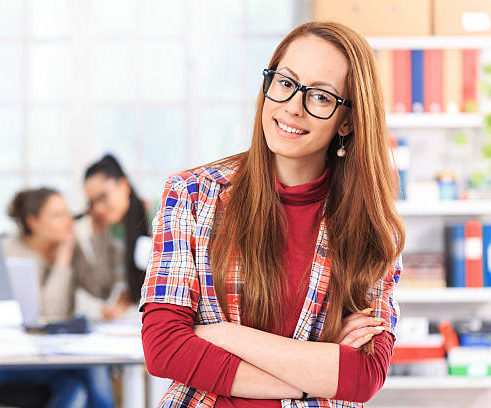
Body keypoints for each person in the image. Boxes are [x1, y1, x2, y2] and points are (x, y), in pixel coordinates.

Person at [140, 21, 404, 408]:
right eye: (285, 83)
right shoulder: (192, 195)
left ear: (347, 120)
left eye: (321, 97)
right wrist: (316, 372)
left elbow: (363, 377)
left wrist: (221, 334)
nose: (292, 107)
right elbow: (164, 348)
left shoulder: (372, 227)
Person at [0, 187, 115, 408]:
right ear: (33, 222)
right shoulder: (12, 254)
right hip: (16, 360)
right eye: (57, 215)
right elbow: (47, 315)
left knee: (74, 390)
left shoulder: (71, 247)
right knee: (93, 367)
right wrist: (63, 257)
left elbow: (101, 289)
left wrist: (100, 235)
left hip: (61, 355)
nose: (68, 221)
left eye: (67, 213)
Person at [82, 154, 151, 320]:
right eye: (92, 202)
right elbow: (109, 287)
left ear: (124, 186)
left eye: (103, 197)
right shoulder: (114, 230)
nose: (98, 208)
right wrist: (98, 236)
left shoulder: (159, 214)